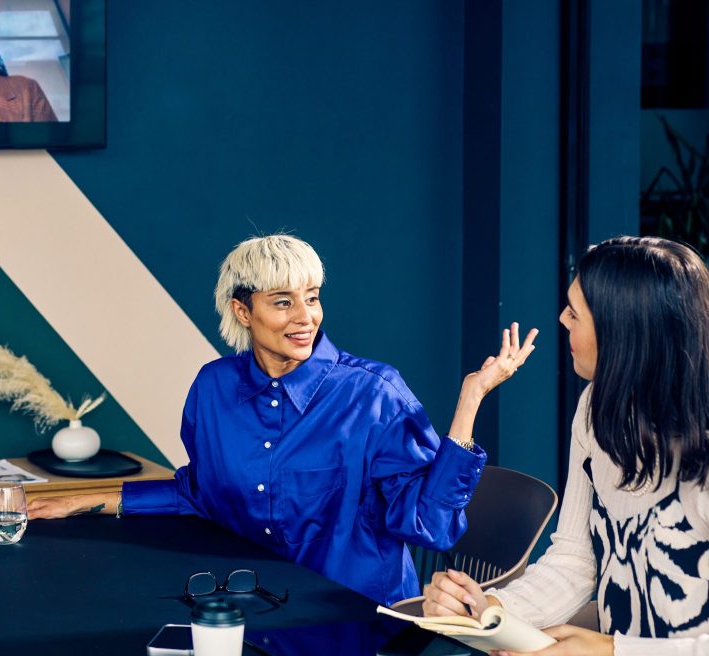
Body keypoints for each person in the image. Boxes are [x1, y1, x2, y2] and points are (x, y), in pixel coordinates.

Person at [28, 233, 536, 606]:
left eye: (312, 298)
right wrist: (91, 500)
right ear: (242, 311)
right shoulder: (213, 388)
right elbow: (203, 493)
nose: (305, 317)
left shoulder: (372, 394)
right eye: (282, 302)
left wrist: (470, 400)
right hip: (250, 608)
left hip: (352, 621)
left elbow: (430, 525)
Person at [423, 236, 709, 655]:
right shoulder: (595, 409)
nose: (561, 318)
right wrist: (489, 608)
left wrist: (612, 651)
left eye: (576, 311)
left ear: (624, 329)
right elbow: (575, 563)